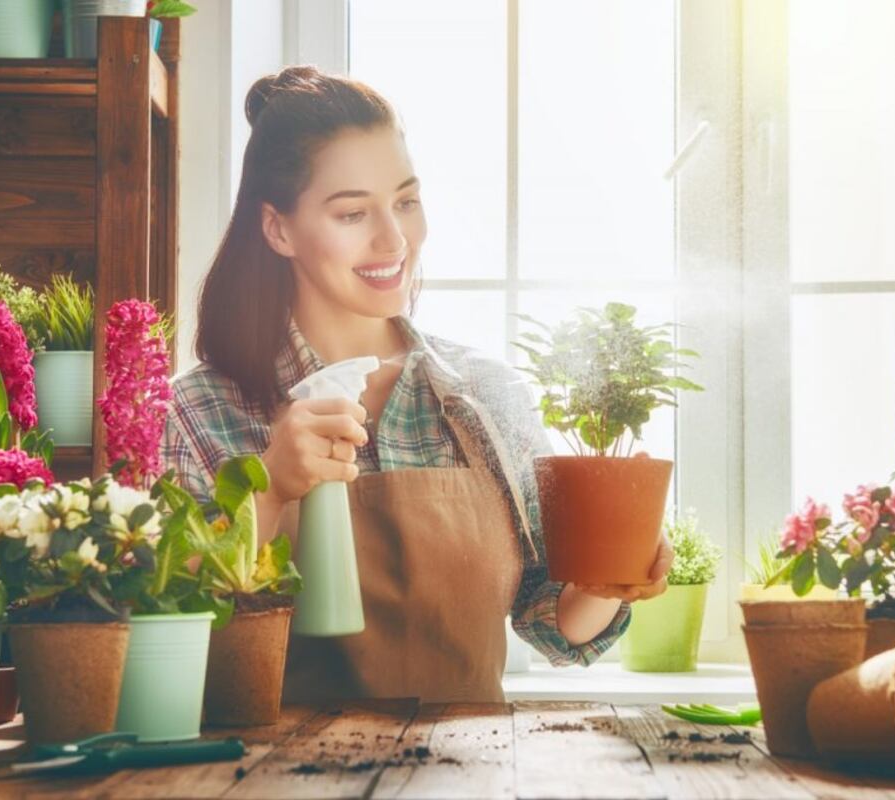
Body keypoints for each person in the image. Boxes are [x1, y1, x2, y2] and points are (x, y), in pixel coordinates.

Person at [162, 65, 673, 703]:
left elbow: (552, 623)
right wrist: (265, 493)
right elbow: (167, 625)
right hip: (272, 761)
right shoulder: (197, 411)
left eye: (405, 202)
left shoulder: (484, 396)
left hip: (470, 758)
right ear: (278, 229)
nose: (394, 239)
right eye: (353, 213)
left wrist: (608, 573)